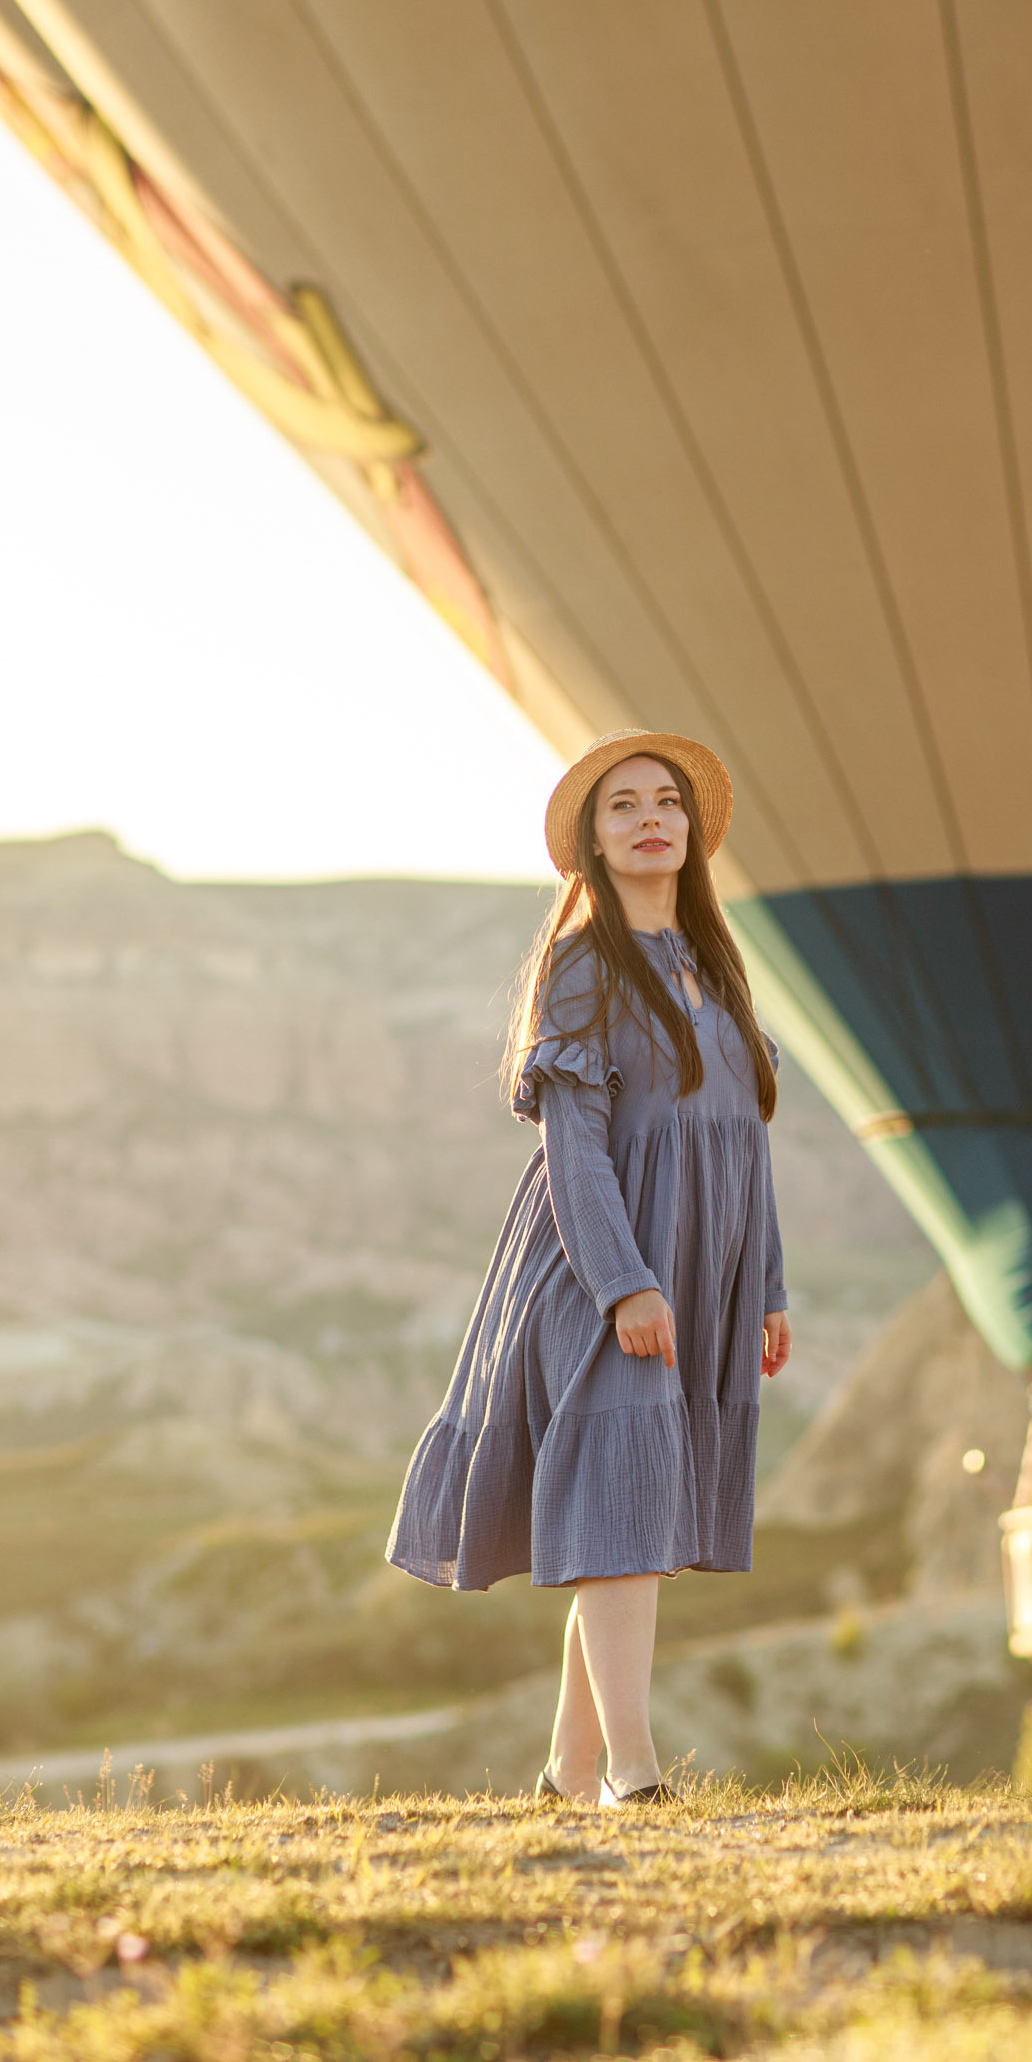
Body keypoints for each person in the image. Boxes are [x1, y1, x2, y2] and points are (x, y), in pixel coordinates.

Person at [386, 730, 791, 1805]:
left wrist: (768, 1289)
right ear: (592, 844)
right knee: (621, 1516)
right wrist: (624, 1285)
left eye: (667, 802)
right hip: (597, 1267)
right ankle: (634, 1774)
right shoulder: (583, 967)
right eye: (624, 807)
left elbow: (741, 1146)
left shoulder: (716, 970)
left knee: (634, 1527)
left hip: (699, 1274)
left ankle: (565, 1776)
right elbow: (570, 1147)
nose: (651, 818)